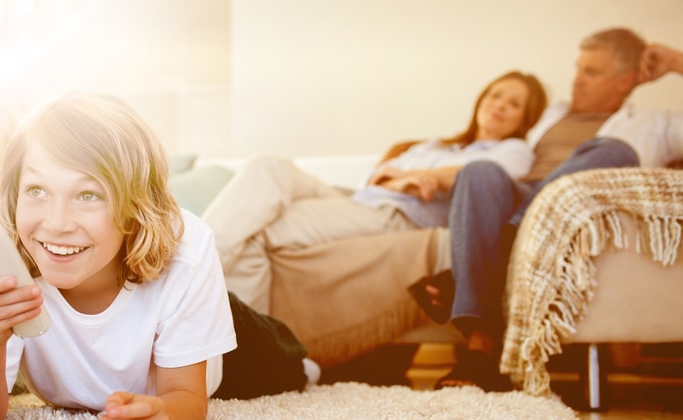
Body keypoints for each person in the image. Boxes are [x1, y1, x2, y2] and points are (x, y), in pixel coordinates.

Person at [0, 93, 313, 420]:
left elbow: (187, 396)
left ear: (135, 206)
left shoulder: (187, 247)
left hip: (236, 353)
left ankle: (303, 362)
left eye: (88, 195)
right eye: (37, 190)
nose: (57, 223)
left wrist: (162, 415)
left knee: (291, 364)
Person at [411, 28, 683, 391]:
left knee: (614, 151)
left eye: (592, 72)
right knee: (479, 172)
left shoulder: (656, 125)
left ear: (626, 81)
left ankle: (502, 246)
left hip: (575, 211)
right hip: (519, 199)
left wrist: (676, 62)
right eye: (578, 68)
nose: (577, 81)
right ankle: (480, 347)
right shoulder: (550, 113)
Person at [201, 71, 548, 313]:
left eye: (514, 104)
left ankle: (197, 284)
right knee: (269, 167)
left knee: (258, 231)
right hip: (358, 199)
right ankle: (201, 270)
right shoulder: (434, 145)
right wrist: (404, 180)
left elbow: (484, 179)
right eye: (495, 94)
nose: (499, 105)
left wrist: (417, 176)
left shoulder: (514, 150)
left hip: (394, 216)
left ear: (526, 119)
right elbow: (378, 178)